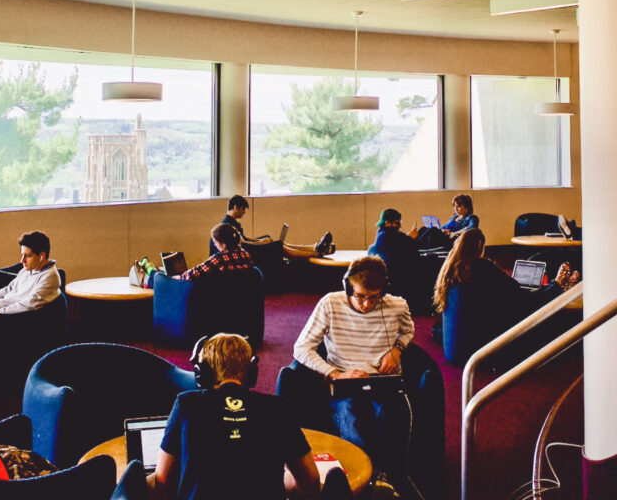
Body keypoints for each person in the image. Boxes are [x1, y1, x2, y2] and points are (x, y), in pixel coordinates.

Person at [149, 333, 330, 500]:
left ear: (201, 373)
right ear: (252, 372)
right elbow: (310, 482)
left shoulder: (186, 405)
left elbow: (163, 481)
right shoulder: (278, 408)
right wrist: (277, 481)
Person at [292, 255, 414, 493]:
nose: (366, 304)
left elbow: (408, 331)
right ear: (348, 287)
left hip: (383, 380)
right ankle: (366, 480)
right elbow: (301, 348)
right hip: (344, 381)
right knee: (351, 418)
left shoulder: (398, 305)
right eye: (360, 296)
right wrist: (334, 374)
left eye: (374, 297)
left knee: (386, 414)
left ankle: (382, 477)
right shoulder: (330, 303)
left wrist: (397, 350)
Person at [431, 228, 579, 325]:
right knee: (540, 306)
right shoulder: (483, 269)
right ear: (480, 247)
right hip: (487, 342)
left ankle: (556, 286)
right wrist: (556, 285)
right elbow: (525, 300)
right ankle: (558, 285)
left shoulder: (452, 270)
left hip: (463, 341)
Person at [213, 195, 334, 259]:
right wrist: (261, 243)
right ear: (235, 207)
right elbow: (242, 244)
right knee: (278, 246)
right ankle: (317, 253)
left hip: (247, 249)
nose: (244, 212)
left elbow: (244, 239)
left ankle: (313, 248)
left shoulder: (231, 222)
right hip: (247, 253)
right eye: (243, 209)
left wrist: (262, 240)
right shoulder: (228, 225)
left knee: (275, 242)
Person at [367, 208, 436, 315]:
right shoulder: (394, 237)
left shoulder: (382, 236)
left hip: (392, 277)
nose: (400, 225)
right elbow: (410, 253)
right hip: (401, 279)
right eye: (397, 223)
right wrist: (411, 239)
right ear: (387, 223)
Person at [179, 223, 254, 282]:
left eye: (215, 242)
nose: (214, 245)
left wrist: (179, 276)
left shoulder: (219, 259)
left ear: (224, 244)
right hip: (244, 295)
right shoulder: (246, 254)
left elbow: (193, 274)